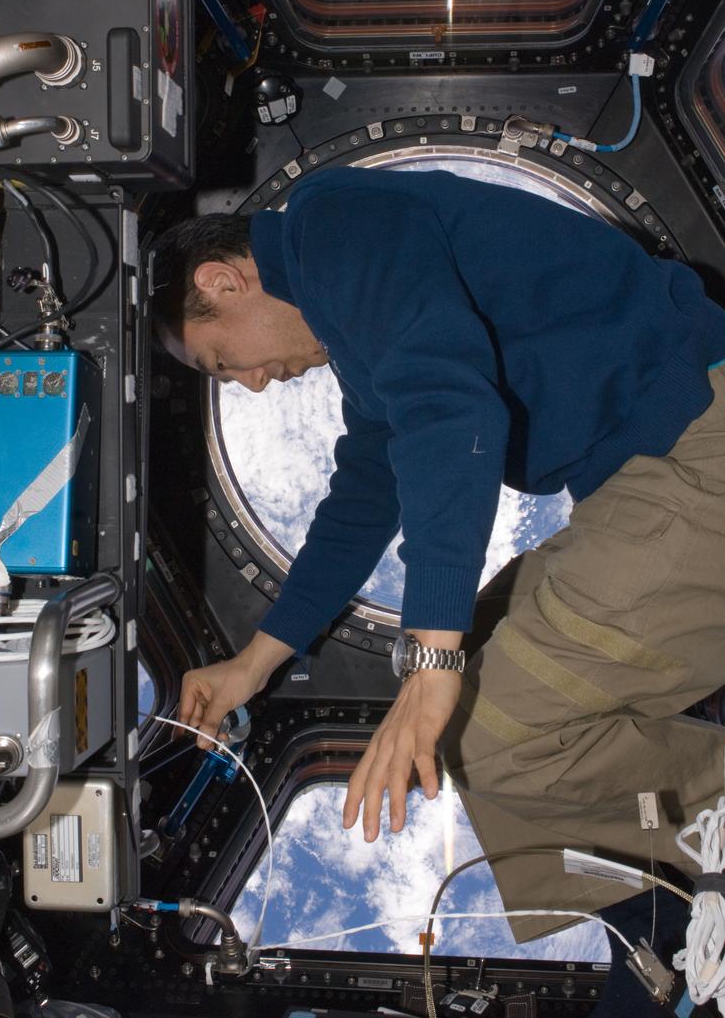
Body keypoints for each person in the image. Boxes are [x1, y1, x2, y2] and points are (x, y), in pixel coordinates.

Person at [155, 164, 725, 944]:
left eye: (223, 362)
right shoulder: (362, 322)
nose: (250, 385)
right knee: (466, 694)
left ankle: (703, 856)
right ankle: (664, 918)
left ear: (221, 282)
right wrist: (253, 664)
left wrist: (433, 662)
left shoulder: (330, 223)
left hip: (698, 437)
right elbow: (367, 493)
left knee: (491, 724)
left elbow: (447, 406)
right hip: (649, 469)